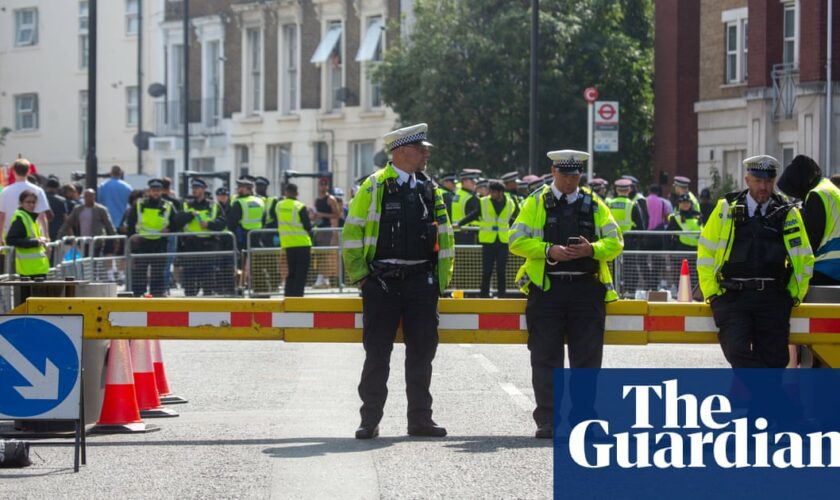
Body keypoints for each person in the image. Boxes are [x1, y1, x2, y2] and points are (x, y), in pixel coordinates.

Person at [342, 123, 454, 439]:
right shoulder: (374, 186)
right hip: (383, 283)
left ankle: (420, 420)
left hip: (421, 282)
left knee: (422, 354)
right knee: (377, 354)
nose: (426, 153)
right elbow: (352, 233)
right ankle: (369, 420)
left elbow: (444, 237)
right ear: (402, 152)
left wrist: (438, 281)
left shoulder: (429, 188)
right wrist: (362, 278)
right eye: (421, 149)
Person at [509, 149, 622, 439]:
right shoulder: (535, 201)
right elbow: (516, 241)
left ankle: (584, 420)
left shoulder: (594, 203)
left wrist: (591, 249)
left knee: (586, 361)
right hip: (548, 289)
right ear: (554, 172)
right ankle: (547, 420)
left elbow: (616, 242)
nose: (571, 181)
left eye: (575, 175)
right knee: (546, 358)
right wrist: (549, 249)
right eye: (565, 174)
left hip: (586, 289)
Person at [698, 155, 813, 368]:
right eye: (758, 181)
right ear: (747, 180)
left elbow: (804, 257)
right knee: (736, 350)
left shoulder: (787, 212)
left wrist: (793, 295)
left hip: (773, 297)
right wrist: (713, 294)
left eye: (769, 181)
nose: (764, 187)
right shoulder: (726, 209)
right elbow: (706, 252)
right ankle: (769, 396)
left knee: (776, 360)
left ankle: (762, 398)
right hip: (733, 296)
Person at [777, 154, 840, 285]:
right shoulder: (830, 188)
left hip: (827, 269)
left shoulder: (816, 194)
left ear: (800, 182)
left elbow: (809, 243)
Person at [459, 181, 516, 297]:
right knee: (487, 271)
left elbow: (513, 219)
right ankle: (483, 295)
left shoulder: (511, 203)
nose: (490, 194)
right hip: (488, 241)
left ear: (500, 192)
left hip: (503, 241)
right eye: (490, 191)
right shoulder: (484, 202)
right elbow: (475, 214)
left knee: (501, 271)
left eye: (493, 192)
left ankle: (502, 296)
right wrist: (460, 223)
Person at [126, 179, 178, 297]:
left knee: (158, 271)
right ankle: (138, 293)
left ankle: (157, 293)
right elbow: (131, 222)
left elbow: (175, 222)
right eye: (153, 190)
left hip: (159, 243)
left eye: (158, 191)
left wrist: (169, 229)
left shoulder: (167, 205)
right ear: (149, 191)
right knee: (140, 271)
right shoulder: (139, 204)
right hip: (141, 242)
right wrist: (132, 237)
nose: (155, 193)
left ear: (161, 192)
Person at [178, 178, 226, 296]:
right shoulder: (186, 205)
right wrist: (190, 215)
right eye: (193, 188)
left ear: (204, 189)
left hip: (208, 244)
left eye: (197, 188)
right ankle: (190, 298)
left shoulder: (213, 205)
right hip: (191, 244)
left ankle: (208, 297)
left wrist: (209, 224)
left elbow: (222, 222)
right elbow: (177, 220)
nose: (194, 190)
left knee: (208, 275)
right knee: (190, 274)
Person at [58, 189, 117, 273]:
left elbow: (109, 225)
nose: (90, 198)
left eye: (91, 196)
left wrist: (115, 238)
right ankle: (87, 277)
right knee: (85, 261)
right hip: (83, 241)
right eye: (87, 196)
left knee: (94, 261)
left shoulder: (101, 209)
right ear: (84, 197)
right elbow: (68, 222)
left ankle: (93, 278)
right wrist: (60, 234)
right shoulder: (78, 209)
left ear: (94, 196)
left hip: (97, 241)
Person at [0, 159, 51, 245]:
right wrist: (46, 236)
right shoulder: (38, 190)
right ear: (29, 171)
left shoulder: (5, 191)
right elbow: (42, 216)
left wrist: (0, 237)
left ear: (13, 171)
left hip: (11, 236)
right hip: (33, 237)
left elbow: (1, 217)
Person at [227, 177, 265, 290]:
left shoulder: (239, 202)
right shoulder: (260, 201)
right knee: (258, 263)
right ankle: (260, 288)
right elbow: (264, 219)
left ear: (247, 189)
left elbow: (231, 222)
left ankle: (239, 287)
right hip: (257, 236)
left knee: (240, 265)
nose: (238, 189)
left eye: (240, 187)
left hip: (242, 237)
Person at [276, 183, 313, 297]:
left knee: (291, 273)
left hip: (288, 244)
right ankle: (298, 298)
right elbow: (308, 226)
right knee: (301, 274)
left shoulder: (279, 205)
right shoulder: (300, 206)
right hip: (302, 244)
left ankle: (289, 296)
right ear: (297, 193)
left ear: (285, 192)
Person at [5, 190, 50, 279]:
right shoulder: (21, 217)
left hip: (37, 269)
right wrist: (35, 242)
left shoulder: (30, 217)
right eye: (28, 202)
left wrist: (40, 239)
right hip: (29, 272)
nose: (31, 205)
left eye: (33, 202)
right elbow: (11, 240)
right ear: (21, 203)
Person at [313, 177, 340, 288]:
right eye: (321, 184)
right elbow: (316, 215)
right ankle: (324, 278)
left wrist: (321, 215)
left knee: (324, 254)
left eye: (325, 184)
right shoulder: (317, 200)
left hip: (327, 229)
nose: (323, 186)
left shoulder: (331, 199)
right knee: (320, 254)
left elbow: (337, 214)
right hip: (318, 229)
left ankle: (322, 278)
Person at [97, 165, 132, 231]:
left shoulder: (102, 186)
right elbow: (130, 205)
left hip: (106, 223)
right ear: (121, 173)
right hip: (121, 224)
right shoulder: (127, 187)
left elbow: (98, 202)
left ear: (110, 173)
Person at [451, 169, 481, 244]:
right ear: (464, 181)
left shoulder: (457, 194)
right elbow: (477, 217)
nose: (475, 184)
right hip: (468, 234)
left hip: (456, 232)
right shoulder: (471, 198)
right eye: (472, 181)